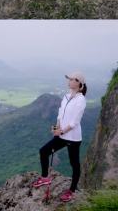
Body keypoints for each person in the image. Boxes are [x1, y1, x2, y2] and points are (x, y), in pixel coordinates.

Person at [32, 72, 87, 202]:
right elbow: (60, 115)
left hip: (73, 137)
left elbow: (74, 122)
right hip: (61, 134)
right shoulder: (66, 96)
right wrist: (57, 128)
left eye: (72, 79)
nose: (69, 81)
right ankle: (45, 177)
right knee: (44, 151)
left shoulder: (81, 100)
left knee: (74, 164)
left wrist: (61, 132)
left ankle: (72, 191)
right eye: (69, 79)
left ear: (79, 83)